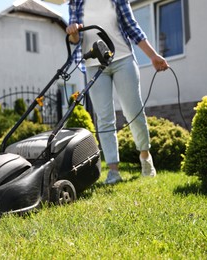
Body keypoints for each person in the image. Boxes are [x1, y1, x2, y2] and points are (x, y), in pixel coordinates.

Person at [66, 0, 169, 184]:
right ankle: (113, 170)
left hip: (123, 59)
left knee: (133, 111)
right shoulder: (76, 2)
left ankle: (145, 157)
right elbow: (76, 40)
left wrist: (153, 56)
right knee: (104, 118)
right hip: (93, 64)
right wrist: (72, 32)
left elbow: (132, 27)